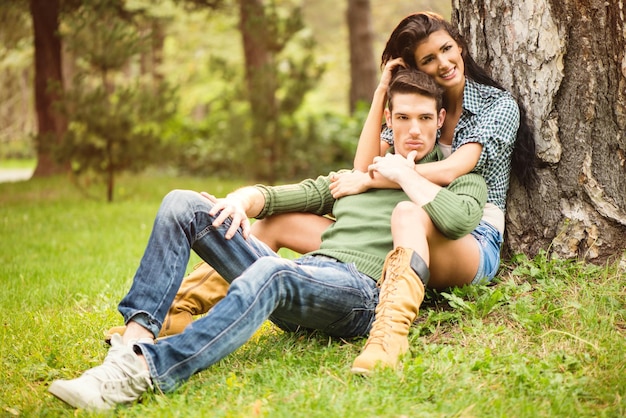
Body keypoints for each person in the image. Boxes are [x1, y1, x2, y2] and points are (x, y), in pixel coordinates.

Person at [49, 68, 487, 410]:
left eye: (425, 118)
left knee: (273, 270)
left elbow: (458, 220)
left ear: (440, 119)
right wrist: (240, 199)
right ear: (388, 120)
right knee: (182, 204)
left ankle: (147, 371)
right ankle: (134, 340)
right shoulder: (357, 179)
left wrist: (405, 175)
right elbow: (281, 196)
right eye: (404, 117)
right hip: (307, 276)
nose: (414, 128)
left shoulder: (458, 182)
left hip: (357, 295)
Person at [107, 11, 537, 344]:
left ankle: (386, 332)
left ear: (459, 45)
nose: (443, 63)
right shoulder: (415, 109)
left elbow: (450, 170)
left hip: (465, 231)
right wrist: (380, 97)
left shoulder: (496, 105)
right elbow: (364, 166)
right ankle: (177, 311)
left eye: (447, 49)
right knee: (274, 223)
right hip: (405, 216)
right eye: (428, 59)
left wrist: (373, 181)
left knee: (408, 211)